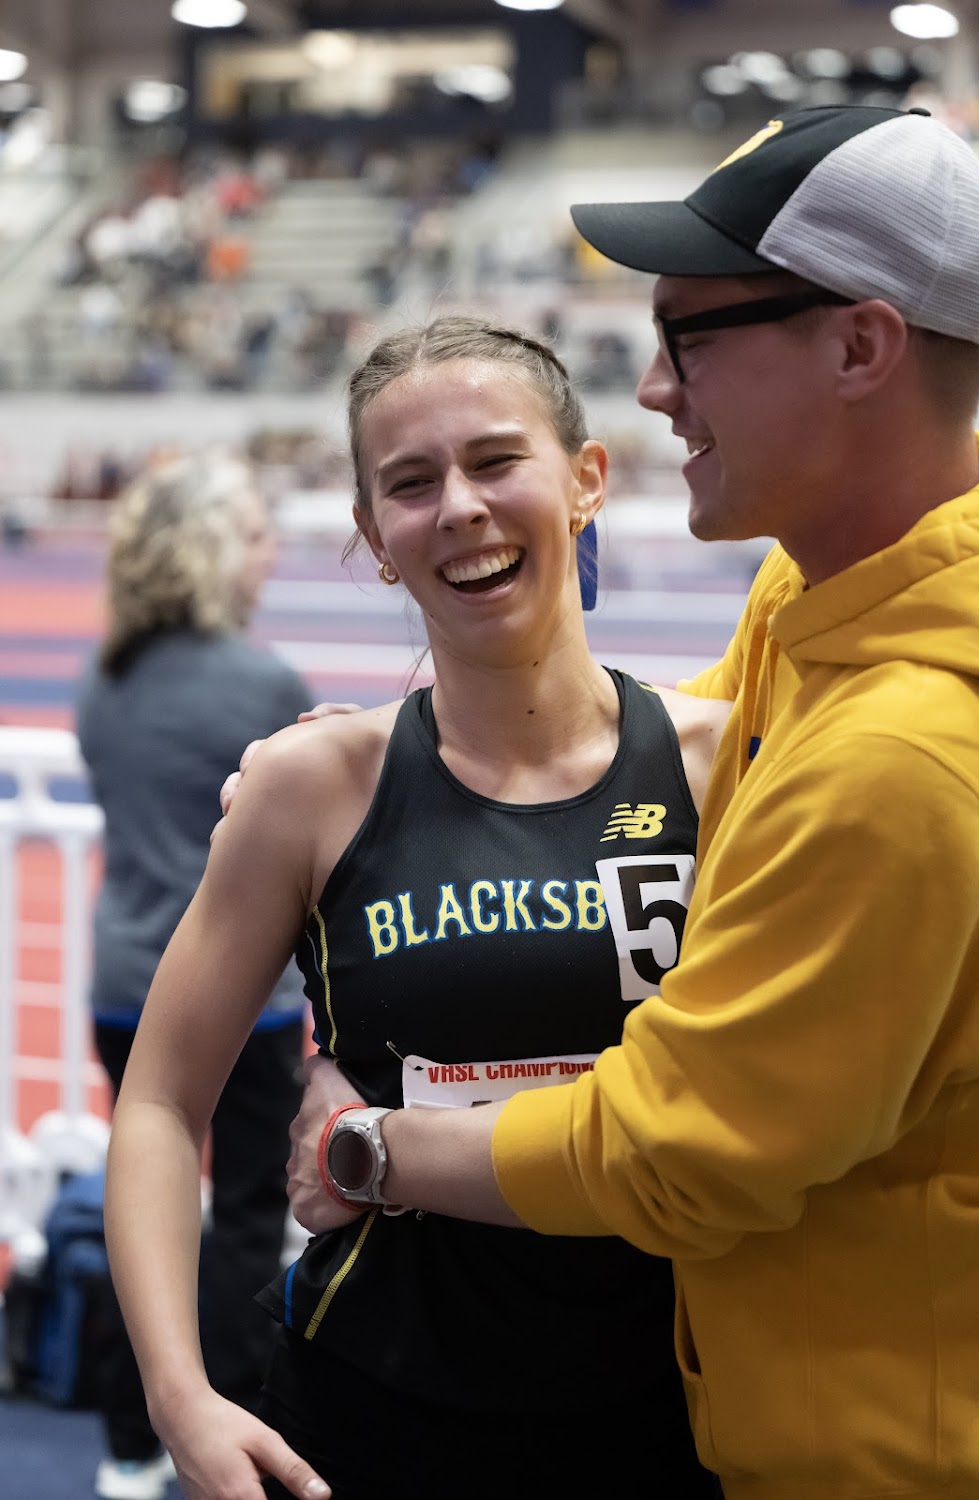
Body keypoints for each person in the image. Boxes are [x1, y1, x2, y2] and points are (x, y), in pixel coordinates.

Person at [271, 105, 979, 1498]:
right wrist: (411, 755)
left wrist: (368, 1146)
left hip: (887, 1461)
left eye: (689, 337)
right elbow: (689, 739)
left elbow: (668, 1154)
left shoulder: (906, 763)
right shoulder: (877, 582)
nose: (650, 389)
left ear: (859, 347)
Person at [102, 318, 731, 1500]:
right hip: (369, 1412)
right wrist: (179, 1398)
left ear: (586, 480)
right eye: (410, 483)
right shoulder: (310, 785)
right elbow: (158, 1101)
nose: (460, 508)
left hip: (681, 1409)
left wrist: (372, 1149)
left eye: (496, 461)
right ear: (372, 538)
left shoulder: (725, 764)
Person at [77, 452, 313, 1500]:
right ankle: (234, 1433)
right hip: (238, 996)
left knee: (143, 1211)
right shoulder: (260, 685)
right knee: (249, 1216)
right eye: (256, 536)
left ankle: (129, 1441)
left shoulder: (103, 679)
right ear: (212, 551)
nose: (269, 556)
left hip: (122, 980)